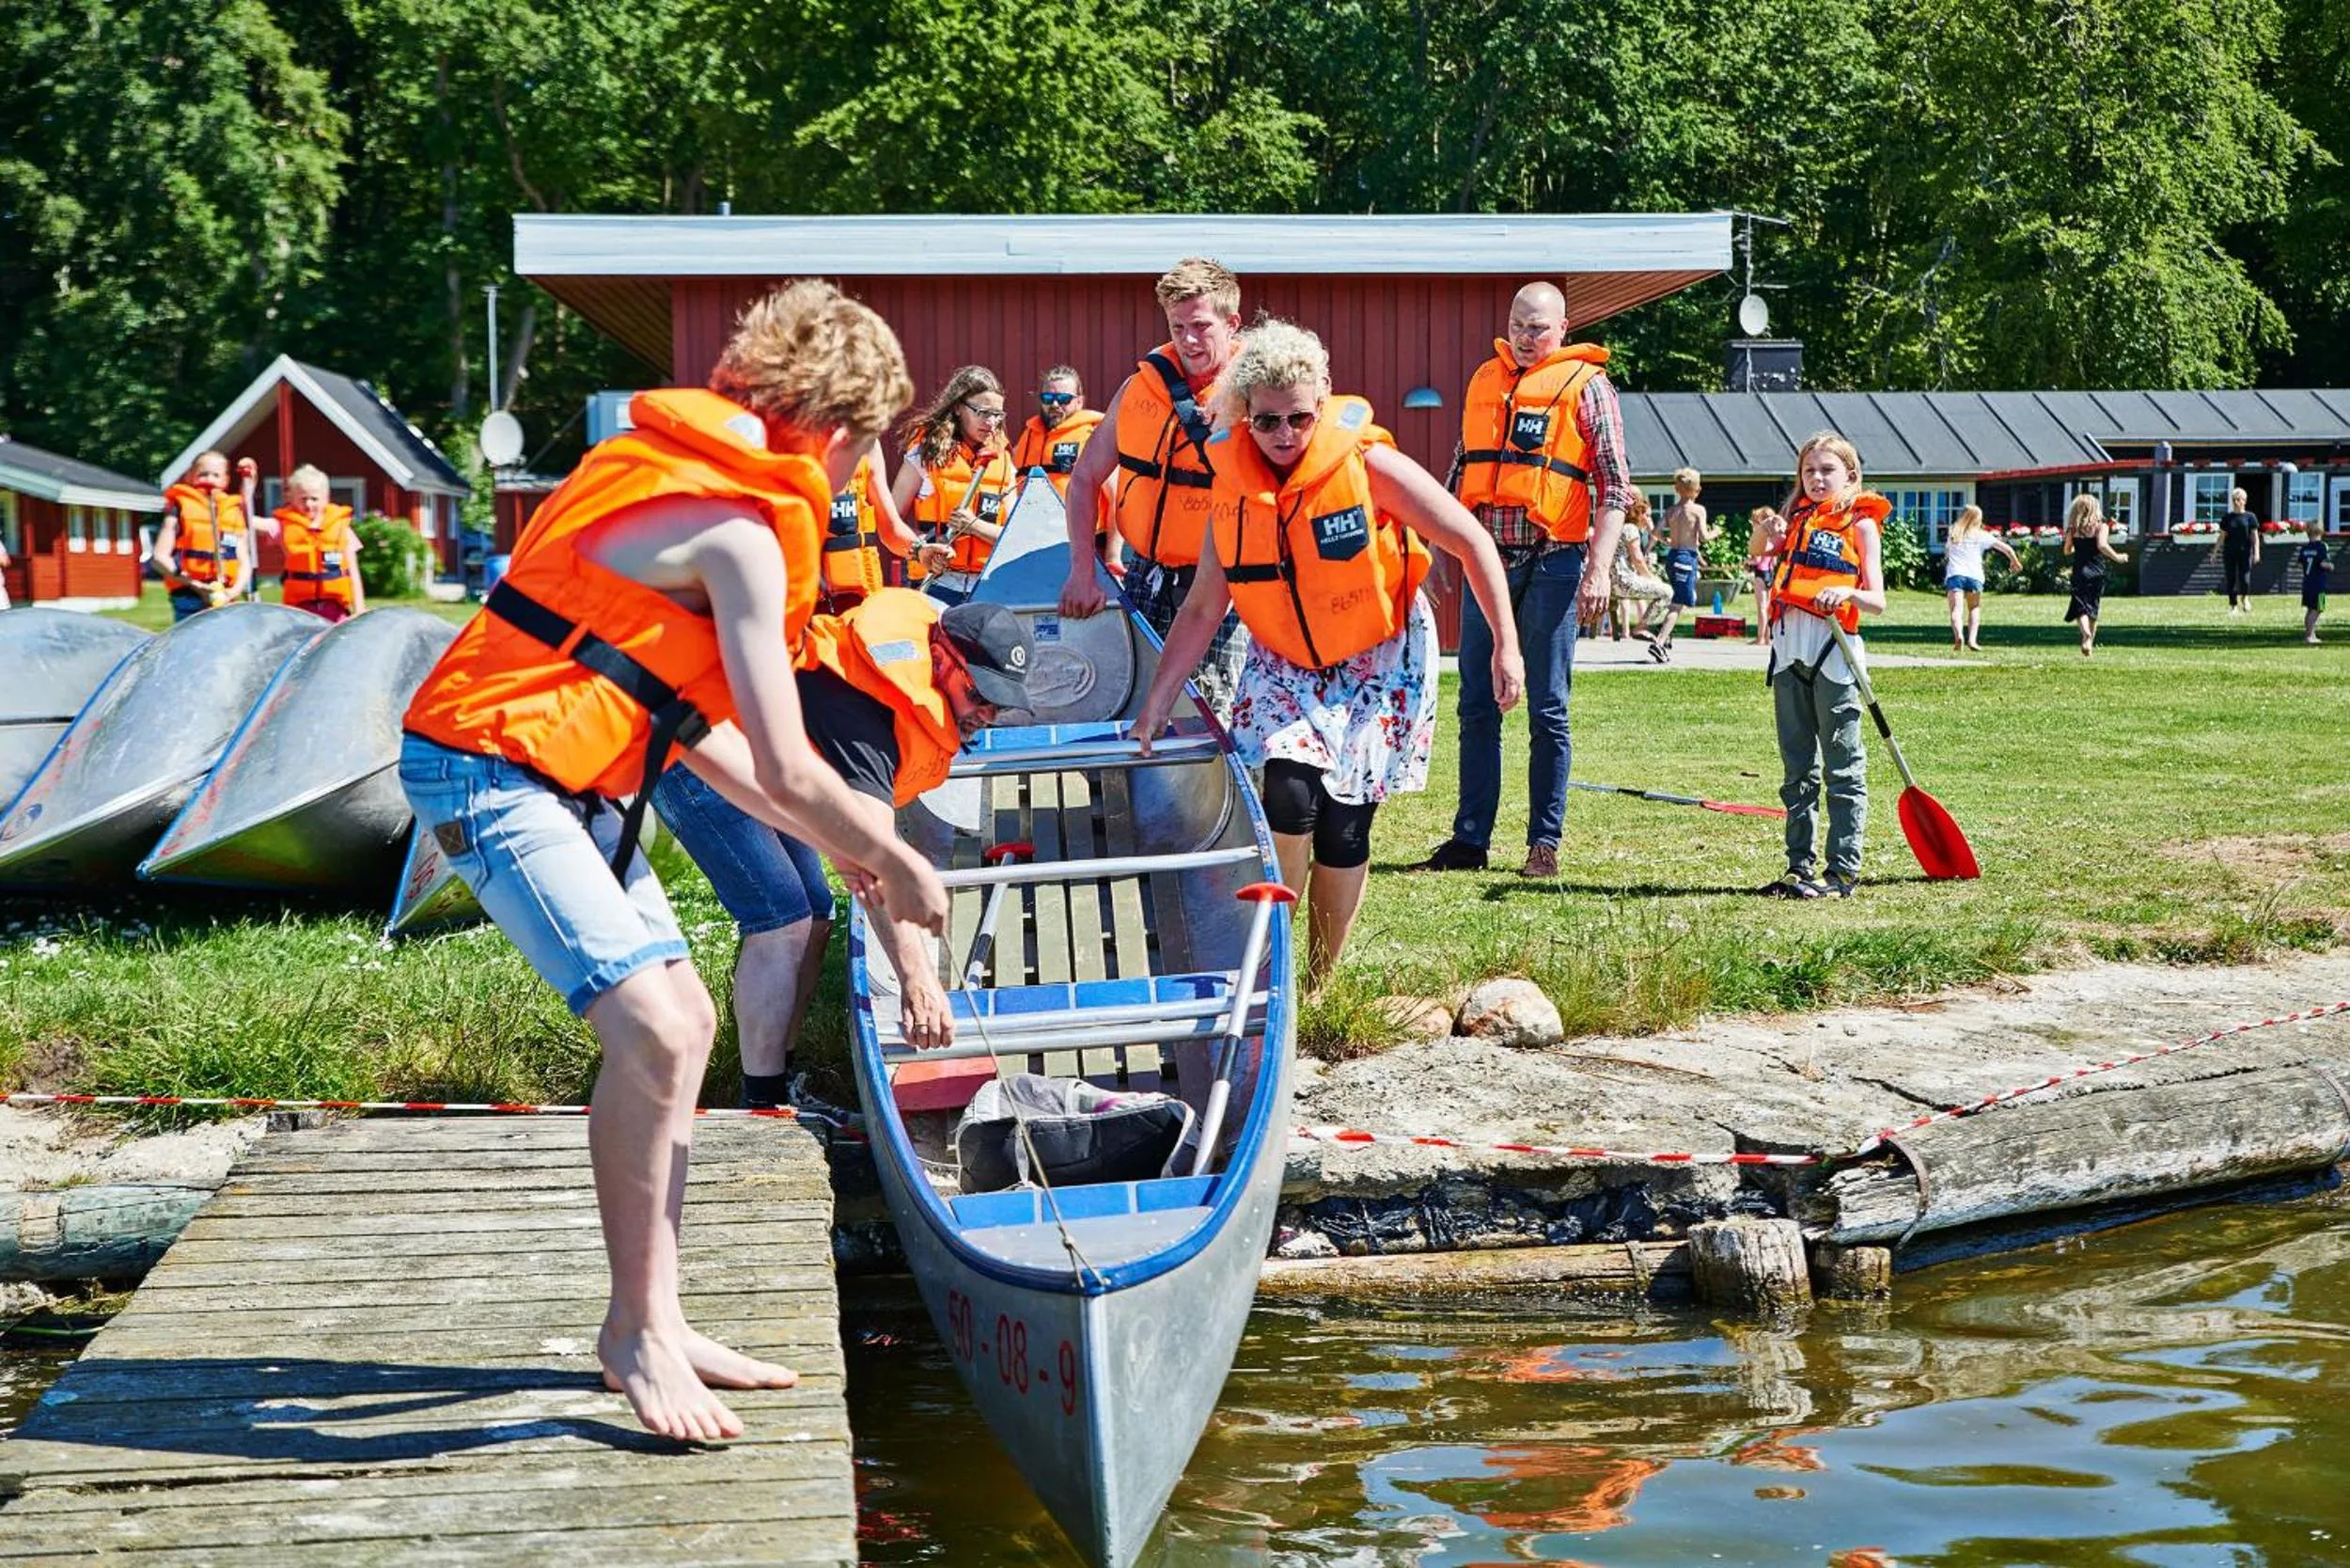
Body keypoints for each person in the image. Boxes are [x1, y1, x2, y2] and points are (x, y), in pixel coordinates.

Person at [397, 280, 950, 1443]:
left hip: (571, 780)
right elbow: (791, 768)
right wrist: (896, 858)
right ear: (833, 429)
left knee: (686, 1023)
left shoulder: (681, 486)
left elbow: (703, 735)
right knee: (650, 1027)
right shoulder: (738, 534)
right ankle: (637, 1333)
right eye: (866, 448)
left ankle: (653, 1317)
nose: (860, 476)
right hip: (485, 771)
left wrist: (844, 852)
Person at [1129, 319, 1524, 983]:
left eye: (1299, 419)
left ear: (1321, 404)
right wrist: (1157, 702)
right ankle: (1274, 970)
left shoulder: (1368, 466)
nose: (1285, 435)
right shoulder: (1232, 490)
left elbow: (1471, 541)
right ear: (1245, 416)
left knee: (1344, 826)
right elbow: (1202, 607)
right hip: (1287, 660)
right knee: (1288, 794)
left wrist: (1505, 647)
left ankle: (1317, 981)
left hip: (1379, 659)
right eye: (1267, 421)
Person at [651, 588, 1033, 1106]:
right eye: (979, 695)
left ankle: (781, 1077)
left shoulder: (910, 695)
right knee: (781, 919)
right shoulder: (865, 717)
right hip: (697, 753)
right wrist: (918, 981)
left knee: (816, 913)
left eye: (999, 705)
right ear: (940, 659)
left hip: (771, 765)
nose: (986, 714)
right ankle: (760, 1107)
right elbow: (871, 861)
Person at [1414, 280, 1625, 880]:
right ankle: (1469, 840)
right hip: (1487, 560)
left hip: (1555, 560)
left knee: (1547, 707)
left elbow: (1615, 486)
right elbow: (1463, 467)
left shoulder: (1589, 386)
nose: (1526, 338)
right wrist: (1436, 543)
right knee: (1477, 704)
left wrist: (1600, 568)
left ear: (1563, 329)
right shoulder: (1488, 379)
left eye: (1539, 328)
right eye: (1518, 326)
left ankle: (1543, 844)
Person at [1058, 258, 1252, 714]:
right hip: (1146, 577)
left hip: (1223, 587)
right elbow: (1084, 479)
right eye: (1177, 327)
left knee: (1214, 722)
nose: (1188, 340)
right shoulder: (1138, 388)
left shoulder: (1260, 398)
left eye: (1201, 326)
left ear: (1232, 323)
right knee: (1135, 709)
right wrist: (1083, 572)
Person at [1760, 431, 1888, 901]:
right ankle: (1799, 866)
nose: (1817, 478)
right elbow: (1758, 552)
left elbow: (1877, 600)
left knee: (1842, 768)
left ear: (1850, 475)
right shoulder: (1795, 521)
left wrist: (1848, 592)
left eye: (1827, 470)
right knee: (1797, 769)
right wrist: (1767, 531)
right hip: (1788, 654)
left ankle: (1842, 871)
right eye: (1809, 470)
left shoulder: (1861, 525)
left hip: (1834, 655)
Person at [892, 368, 1016, 606]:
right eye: (982, 412)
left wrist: (975, 526)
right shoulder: (925, 454)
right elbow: (891, 521)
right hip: (936, 584)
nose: (991, 422)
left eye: (997, 414)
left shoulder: (1004, 462)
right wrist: (922, 548)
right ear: (958, 408)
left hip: (987, 587)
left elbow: (1014, 536)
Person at [152, 451, 258, 620]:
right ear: (190, 477)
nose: (209, 480)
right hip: (189, 595)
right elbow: (159, 557)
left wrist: (233, 592)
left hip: (226, 597)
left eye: (216, 475)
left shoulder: (233, 512)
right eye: (203, 474)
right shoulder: (179, 508)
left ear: (225, 480)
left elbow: (244, 561)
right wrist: (197, 585)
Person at [819, 439, 919, 609]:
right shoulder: (783, 441)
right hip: (805, 604)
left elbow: (891, 530)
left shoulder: (867, 444)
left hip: (860, 603)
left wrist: (920, 550)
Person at [268, 464, 366, 622]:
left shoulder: (341, 529)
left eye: (314, 499)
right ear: (291, 498)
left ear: (326, 498)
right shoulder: (283, 526)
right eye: (303, 499)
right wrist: (248, 486)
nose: (308, 504)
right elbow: (250, 522)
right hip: (299, 611)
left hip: (335, 610)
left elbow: (353, 573)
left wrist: (359, 610)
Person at [1646, 467, 1719, 662]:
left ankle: (1665, 632)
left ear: (1676, 489)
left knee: (1678, 598)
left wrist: (1667, 541)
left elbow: (1655, 532)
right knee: (1678, 604)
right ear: (1698, 489)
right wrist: (1716, 532)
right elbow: (1703, 537)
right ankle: (1659, 642)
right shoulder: (1698, 510)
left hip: (1673, 557)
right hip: (1686, 559)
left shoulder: (1671, 511)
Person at [1011, 366, 1105, 497]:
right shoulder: (1028, 436)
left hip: (1073, 511)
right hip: (1028, 510)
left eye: (1063, 399)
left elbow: (1112, 490)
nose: (1055, 404)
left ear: (1079, 402)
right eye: (1048, 398)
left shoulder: (1094, 436)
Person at [1939, 504, 2018, 651]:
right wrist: (2015, 561)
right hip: (1974, 577)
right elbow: (2006, 549)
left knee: (1956, 610)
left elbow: (1947, 552)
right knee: (1974, 608)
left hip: (1956, 575)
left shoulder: (1953, 532)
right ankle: (1972, 640)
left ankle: (1959, 636)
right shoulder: (1982, 535)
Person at [2063, 493, 2126, 656]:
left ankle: (2086, 634)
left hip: (2080, 572)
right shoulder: (2101, 526)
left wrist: (2076, 546)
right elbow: (2102, 545)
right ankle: (2089, 644)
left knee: (2080, 608)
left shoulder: (2073, 528)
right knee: (2093, 607)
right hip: (2097, 572)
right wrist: (2118, 557)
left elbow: (2067, 550)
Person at [1607, 495, 1669, 639]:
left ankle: (1646, 629)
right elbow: (1638, 560)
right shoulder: (1631, 529)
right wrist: (1651, 577)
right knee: (1668, 592)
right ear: (1639, 514)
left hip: (1613, 582)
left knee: (1660, 587)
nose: (1649, 519)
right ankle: (1641, 628)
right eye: (1647, 515)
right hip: (1624, 582)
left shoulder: (1622, 528)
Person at [1747, 507, 1788, 650]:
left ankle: (1760, 638)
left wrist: (1747, 562)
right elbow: (1774, 561)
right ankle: (1768, 637)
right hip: (1770, 573)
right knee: (1769, 607)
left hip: (1760, 573)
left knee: (1761, 608)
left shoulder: (1761, 540)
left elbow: (1757, 560)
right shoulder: (1774, 539)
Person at [2218, 489, 2262, 612]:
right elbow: (2222, 536)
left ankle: (2245, 598)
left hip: (2245, 552)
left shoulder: (2250, 517)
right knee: (2231, 578)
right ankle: (2233, 606)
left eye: (2238, 499)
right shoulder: (2227, 518)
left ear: (2244, 501)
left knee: (2245, 578)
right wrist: (2215, 552)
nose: (2236, 502)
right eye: (2234, 500)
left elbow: (2255, 537)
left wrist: (2256, 552)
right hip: (2230, 552)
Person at [2295, 518, 2328, 645]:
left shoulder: (2305, 548)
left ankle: (2310, 633)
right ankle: (2309, 635)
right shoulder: (2322, 547)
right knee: (2317, 609)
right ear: (2321, 531)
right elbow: (2323, 563)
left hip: (2307, 583)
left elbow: (2299, 563)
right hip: (2318, 584)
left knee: (2310, 609)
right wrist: (2330, 566)